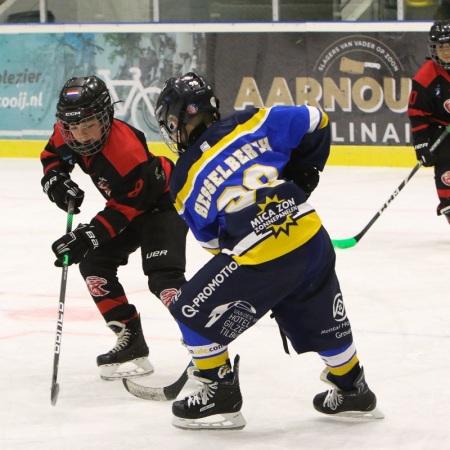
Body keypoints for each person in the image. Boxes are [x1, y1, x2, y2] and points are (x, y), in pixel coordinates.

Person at [154, 72, 384, 430]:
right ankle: (353, 388)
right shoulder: (254, 119)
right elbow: (317, 119)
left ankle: (218, 393)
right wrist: (305, 172)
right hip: (309, 233)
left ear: (175, 123)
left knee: (188, 309)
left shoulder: (183, 177)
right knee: (319, 311)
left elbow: (215, 245)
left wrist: (263, 277)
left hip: (260, 253)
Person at [40, 75, 188, 380]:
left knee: (164, 279)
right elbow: (53, 155)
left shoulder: (125, 151)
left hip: (164, 204)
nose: (80, 135)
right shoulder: (68, 129)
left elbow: (124, 210)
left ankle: (205, 343)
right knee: (94, 265)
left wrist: (87, 236)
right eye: (73, 127)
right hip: (128, 206)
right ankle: (130, 340)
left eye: (88, 125)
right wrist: (56, 180)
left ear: (106, 116)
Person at [408, 19, 450, 225]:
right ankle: (448, 204)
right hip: (440, 129)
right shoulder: (425, 77)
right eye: (441, 47)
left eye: (449, 46)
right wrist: (422, 146)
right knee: (445, 161)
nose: (446, 51)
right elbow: (417, 113)